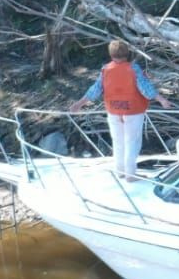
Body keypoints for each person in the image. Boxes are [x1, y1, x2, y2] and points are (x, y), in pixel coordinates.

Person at [68, 39, 172, 180]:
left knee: (118, 142)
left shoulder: (105, 70)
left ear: (111, 54)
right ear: (127, 53)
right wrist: (162, 100)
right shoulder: (134, 69)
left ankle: (120, 171)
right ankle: (130, 174)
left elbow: (95, 89)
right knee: (132, 142)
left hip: (114, 112)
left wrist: (79, 104)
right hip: (133, 111)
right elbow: (146, 89)